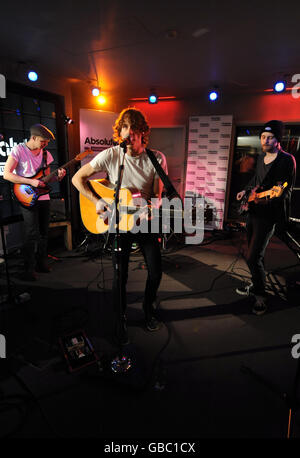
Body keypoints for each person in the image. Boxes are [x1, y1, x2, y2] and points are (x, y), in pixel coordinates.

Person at [72, 107, 167, 343]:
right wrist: (97, 201)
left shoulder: (157, 158)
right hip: (117, 222)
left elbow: (157, 195)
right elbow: (77, 178)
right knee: (119, 274)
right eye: (126, 128)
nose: (130, 134)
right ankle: (120, 318)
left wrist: (152, 208)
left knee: (155, 271)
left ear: (143, 133)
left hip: (144, 220)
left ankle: (147, 309)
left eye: (135, 130)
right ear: (120, 131)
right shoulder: (112, 154)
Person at [236, 120, 296, 315]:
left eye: (270, 137)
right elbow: (256, 180)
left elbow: (280, 191)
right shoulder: (262, 157)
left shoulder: (286, 160)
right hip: (253, 212)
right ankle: (256, 284)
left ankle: (260, 296)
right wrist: (245, 192)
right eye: (263, 137)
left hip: (268, 215)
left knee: (253, 257)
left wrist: (263, 197)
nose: (265, 140)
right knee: (253, 256)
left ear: (278, 139)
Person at [3, 124, 66, 281]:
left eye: (47, 142)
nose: (45, 144)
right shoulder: (19, 150)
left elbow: (46, 177)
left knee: (44, 231)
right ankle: (28, 269)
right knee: (31, 233)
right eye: (43, 141)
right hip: (26, 195)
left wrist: (58, 177)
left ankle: (41, 263)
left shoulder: (46, 154)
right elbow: (7, 175)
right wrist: (31, 182)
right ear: (33, 138)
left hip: (43, 196)